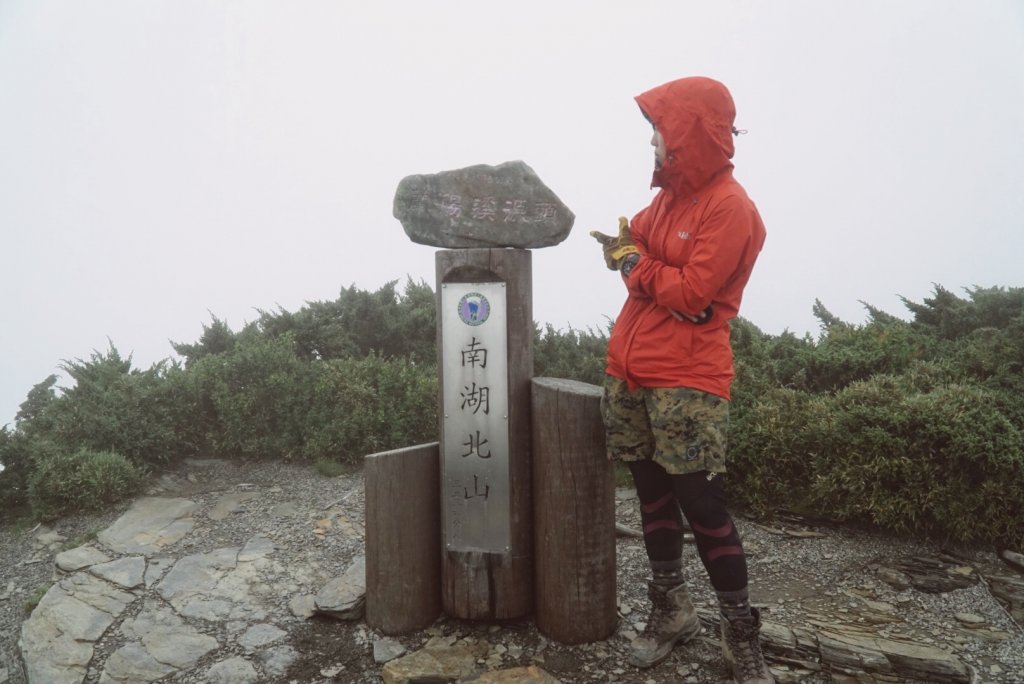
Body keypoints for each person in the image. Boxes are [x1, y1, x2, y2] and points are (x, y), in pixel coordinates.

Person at [590, 76, 772, 684]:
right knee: (651, 494)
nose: (654, 145)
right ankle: (672, 611)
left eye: (660, 133)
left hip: (690, 380)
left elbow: (694, 293)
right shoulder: (665, 200)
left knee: (703, 504)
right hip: (631, 370)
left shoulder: (732, 208)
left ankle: (740, 634)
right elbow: (633, 243)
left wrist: (638, 267)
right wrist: (640, 265)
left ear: (690, 135)